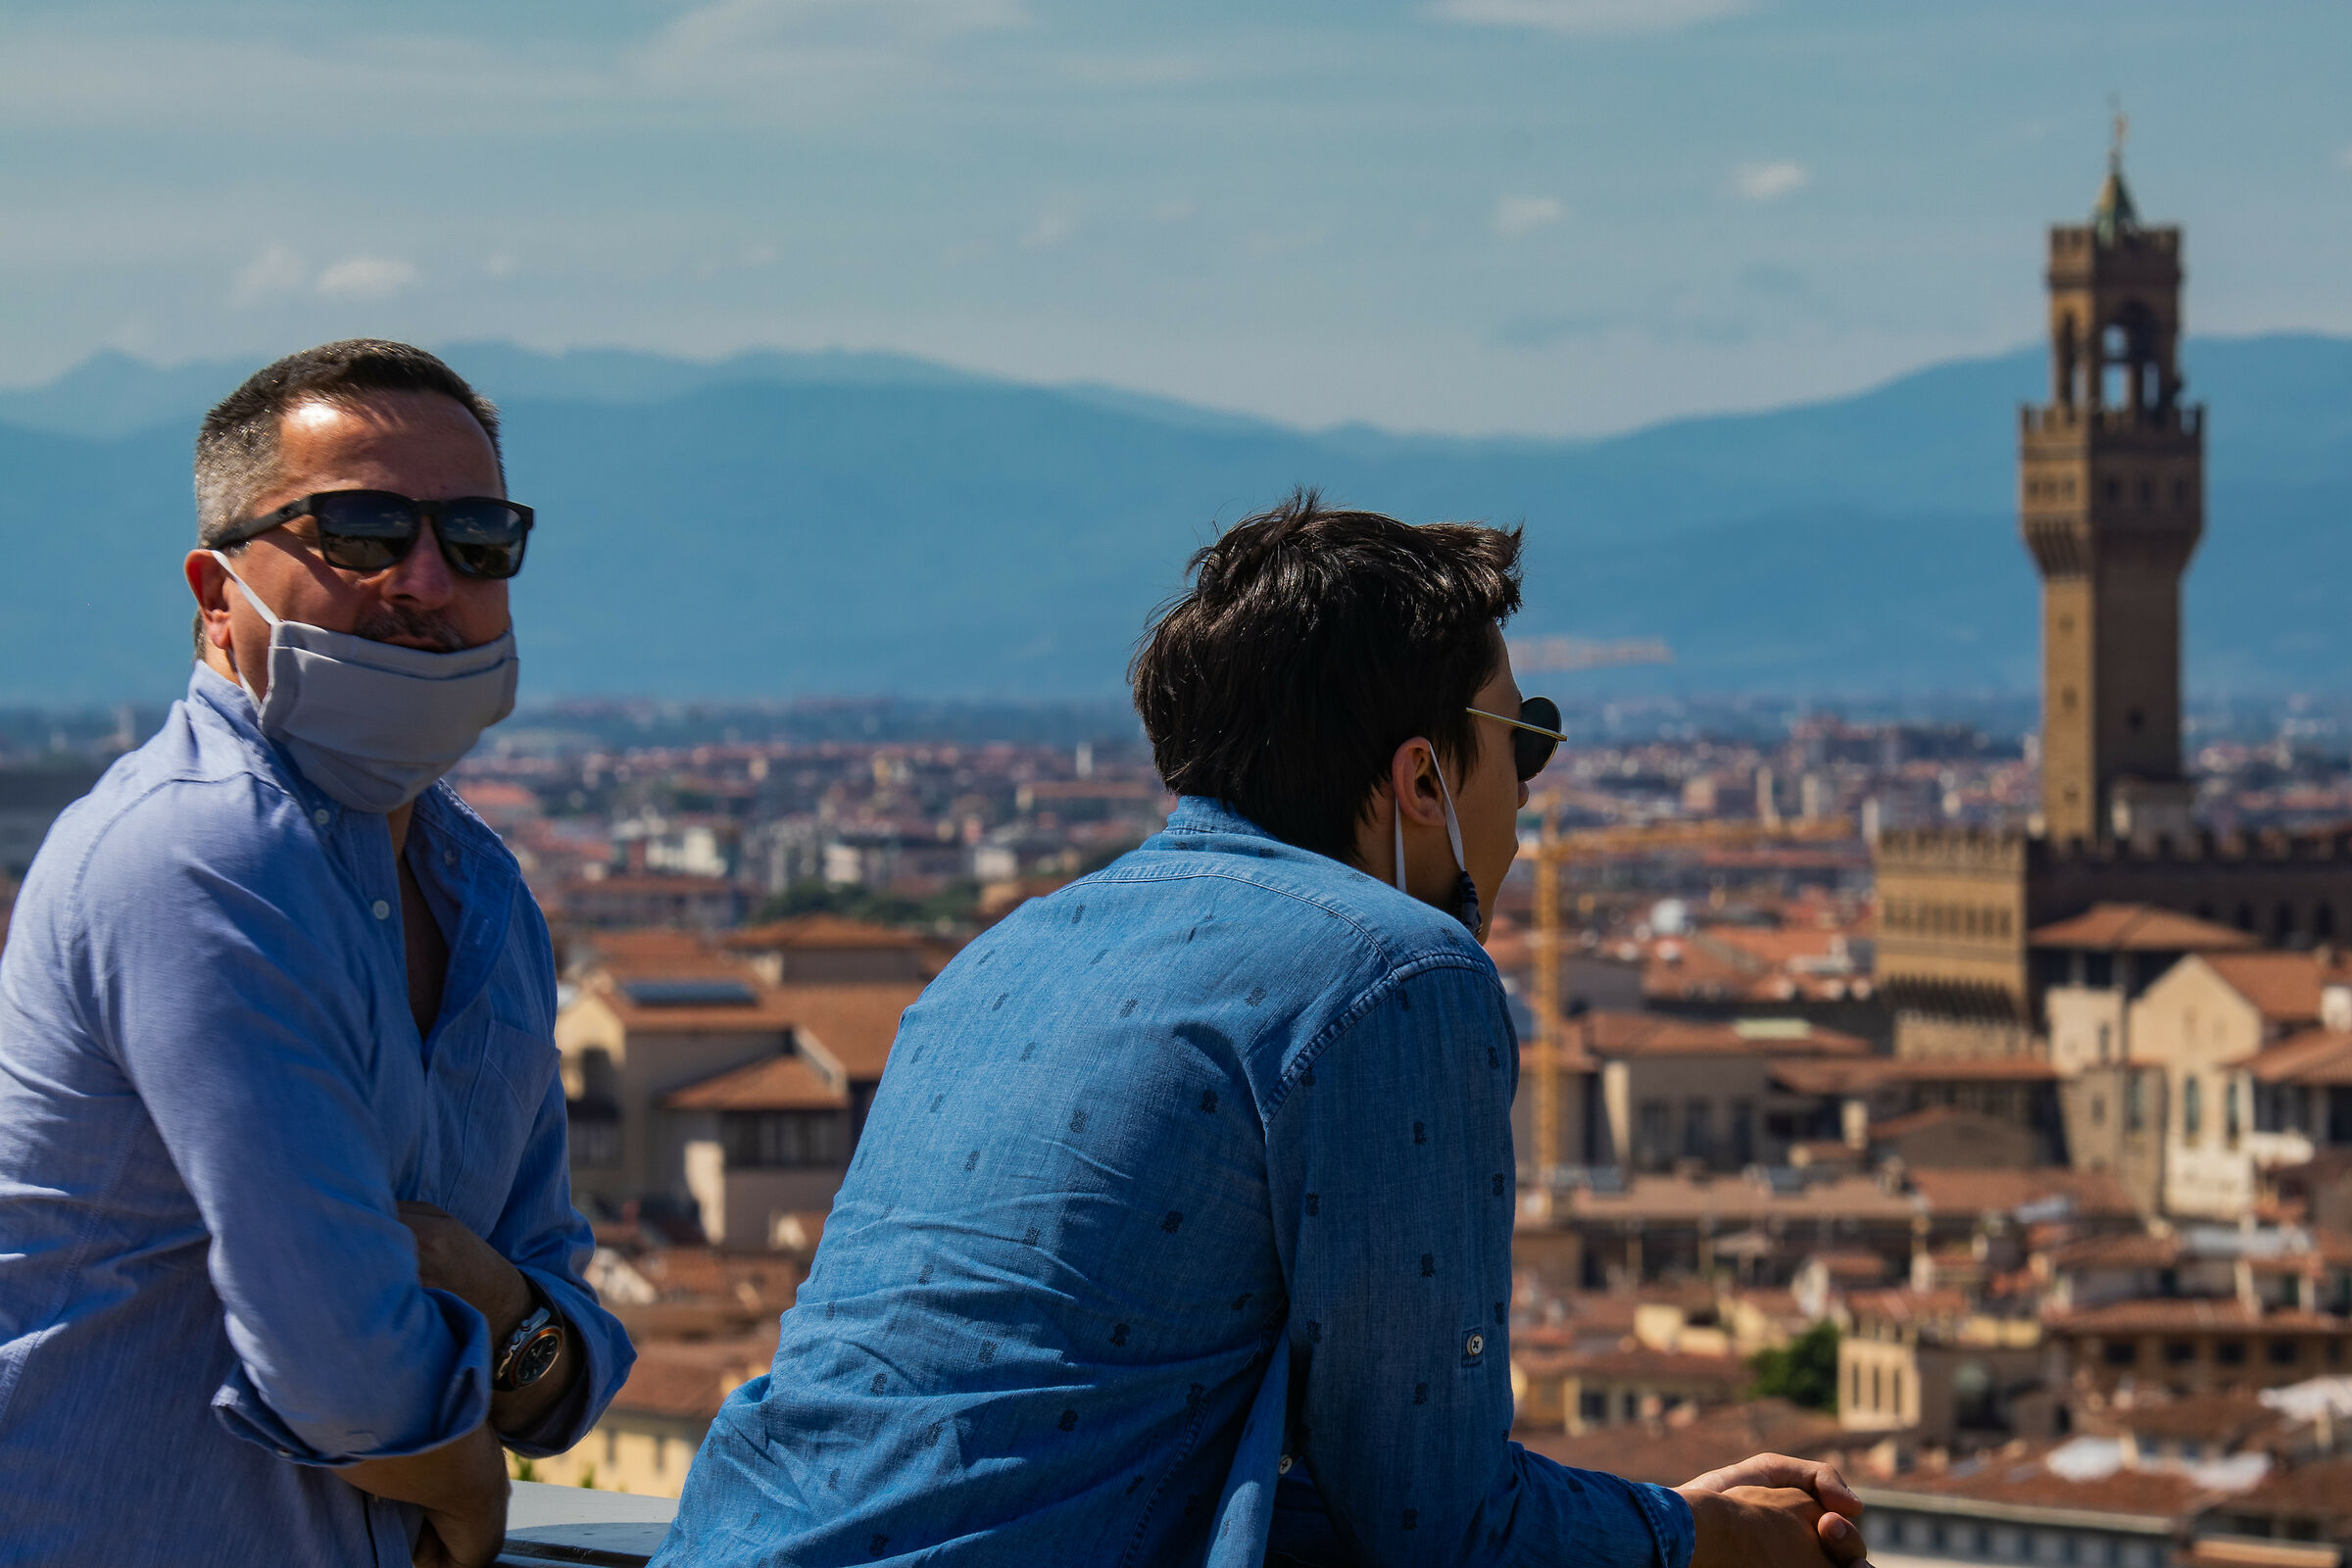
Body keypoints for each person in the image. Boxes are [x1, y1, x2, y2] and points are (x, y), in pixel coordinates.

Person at [655, 492, 1869, 1567]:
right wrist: (1701, 1540)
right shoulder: (1399, 975)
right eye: (1525, 739)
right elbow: (1435, 1528)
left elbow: (1092, 1460)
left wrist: (1651, 1519)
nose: (1526, 792)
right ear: (1424, 781)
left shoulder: (1005, 954)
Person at [0, 341, 634, 1567]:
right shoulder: (195, 852)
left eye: (477, 538)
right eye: (360, 531)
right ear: (215, 591)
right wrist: (468, 1484)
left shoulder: (485, 894)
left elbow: (566, 1339)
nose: (427, 579)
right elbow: (337, 1362)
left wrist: (502, 1306)